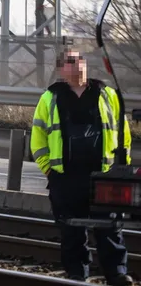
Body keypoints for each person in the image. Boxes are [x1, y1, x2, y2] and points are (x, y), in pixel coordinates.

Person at [31, 49, 132, 284]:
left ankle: (116, 273)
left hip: (104, 176)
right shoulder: (50, 98)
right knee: (71, 231)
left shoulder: (107, 95)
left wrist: (121, 170)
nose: (78, 65)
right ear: (60, 69)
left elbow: (122, 134)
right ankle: (77, 275)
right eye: (71, 61)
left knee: (110, 227)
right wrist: (49, 170)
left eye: (81, 60)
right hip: (66, 178)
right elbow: (38, 139)